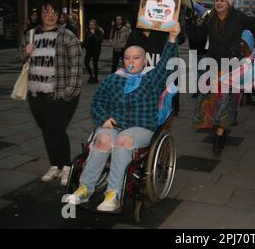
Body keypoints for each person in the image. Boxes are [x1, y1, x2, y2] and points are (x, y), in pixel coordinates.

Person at [64, 23, 180, 212]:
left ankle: (113, 194)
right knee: (101, 139)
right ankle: (85, 187)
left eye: (136, 58)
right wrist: (103, 119)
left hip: (141, 126)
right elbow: (97, 103)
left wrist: (172, 38)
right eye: (127, 58)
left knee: (123, 141)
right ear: (122, 60)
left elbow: (167, 63)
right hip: (114, 124)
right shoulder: (113, 79)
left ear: (144, 61)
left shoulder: (152, 78)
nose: (131, 61)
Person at [17, 0, 83, 185]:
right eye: (46, 11)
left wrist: (69, 92)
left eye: (54, 12)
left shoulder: (67, 35)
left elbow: (77, 66)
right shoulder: (31, 35)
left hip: (61, 92)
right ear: (40, 14)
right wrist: (26, 52)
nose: (50, 15)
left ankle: (66, 167)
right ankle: (55, 165)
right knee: (46, 130)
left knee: (57, 129)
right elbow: (19, 57)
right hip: (36, 93)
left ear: (59, 15)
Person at [193, 0, 255, 155]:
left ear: (229, 4)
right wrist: (191, 22)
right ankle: (221, 127)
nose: (218, 2)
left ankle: (218, 137)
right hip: (213, 66)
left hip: (232, 66)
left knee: (225, 100)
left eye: (222, 0)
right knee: (212, 102)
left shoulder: (238, 17)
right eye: (216, 0)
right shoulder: (211, 18)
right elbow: (197, 38)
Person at [83, 19, 104, 84]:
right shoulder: (87, 31)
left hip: (96, 50)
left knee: (95, 63)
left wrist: (93, 34)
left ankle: (96, 78)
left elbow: (98, 40)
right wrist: (84, 45)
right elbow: (85, 40)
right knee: (86, 62)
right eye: (90, 24)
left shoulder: (99, 31)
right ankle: (91, 75)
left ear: (95, 25)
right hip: (89, 50)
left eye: (92, 24)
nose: (91, 26)